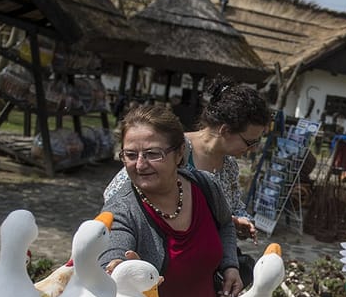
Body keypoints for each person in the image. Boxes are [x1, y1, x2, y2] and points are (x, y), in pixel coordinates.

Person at [100, 104, 242, 297]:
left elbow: (225, 224)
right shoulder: (122, 210)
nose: (140, 165)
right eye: (130, 155)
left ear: (179, 153)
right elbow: (110, 260)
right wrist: (121, 271)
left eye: (152, 154)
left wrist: (230, 265)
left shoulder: (206, 187)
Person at [104, 77, 270, 242]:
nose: (253, 149)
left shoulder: (229, 165)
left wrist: (241, 221)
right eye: (250, 142)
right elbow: (114, 195)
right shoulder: (172, 149)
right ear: (225, 130)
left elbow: (233, 207)